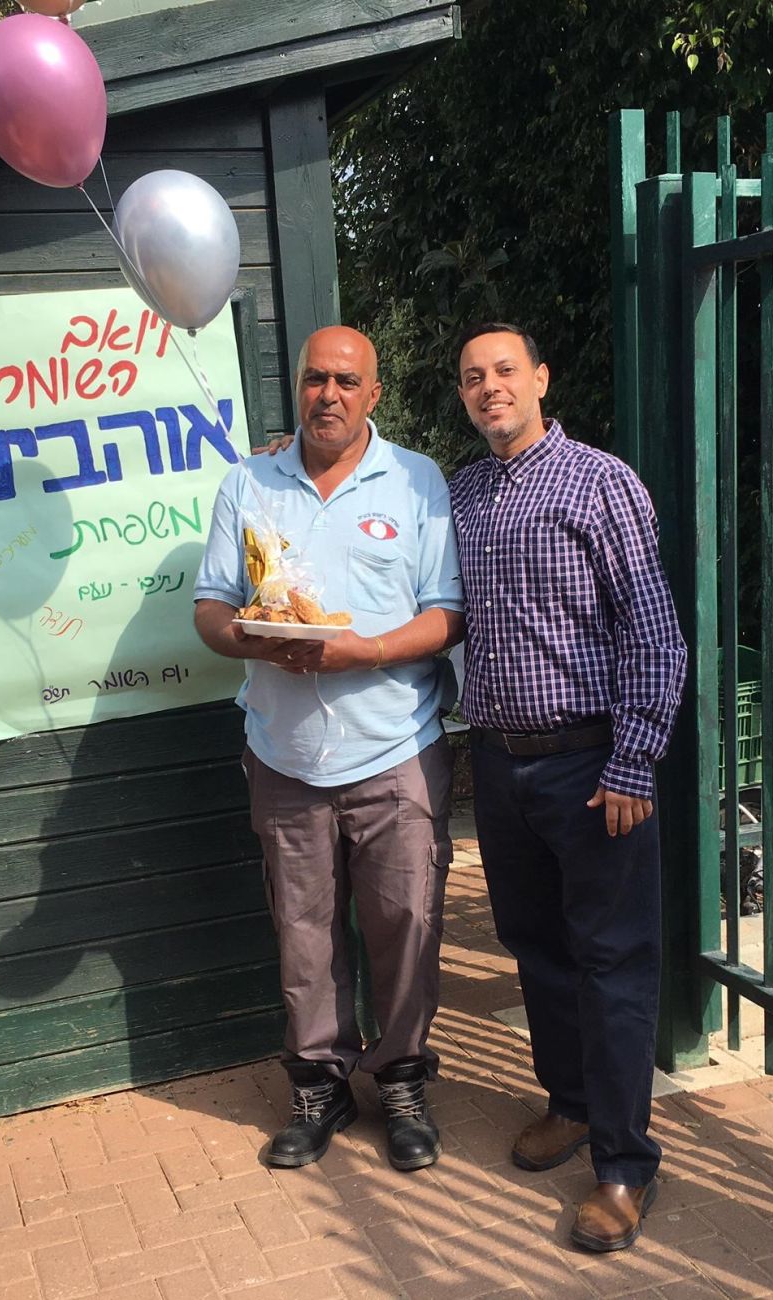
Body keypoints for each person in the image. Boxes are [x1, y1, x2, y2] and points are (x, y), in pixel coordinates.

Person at [193, 325, 465, 1171]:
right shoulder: (249, 483)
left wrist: (366, 651)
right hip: (285, 755)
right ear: (299, 387)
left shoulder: (416, 481)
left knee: (407, 923)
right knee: (304, 934)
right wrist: (253, 639)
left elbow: (447, 612)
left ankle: (404, 1082)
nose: (330, 395)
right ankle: (320, 1087)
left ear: (374, 394)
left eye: (348, 382)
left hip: (397, 750)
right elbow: (211, 608)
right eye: (316, 379)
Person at [450, 322, 686, 1252]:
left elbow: (653, 629)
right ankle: (572, 1102)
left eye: (506, 370)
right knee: (536, 947)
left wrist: (633, 758)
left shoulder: (600, 482)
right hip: (500, 763)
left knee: (612, 962)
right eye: (474, 376)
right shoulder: (462, 494)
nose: (491, 386)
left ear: (541, 379)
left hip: (594, 766)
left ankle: (626, 1166)